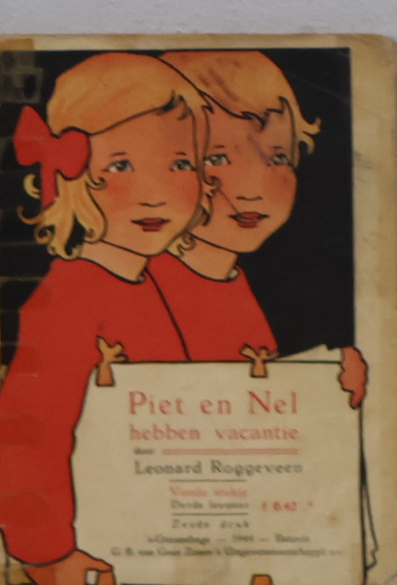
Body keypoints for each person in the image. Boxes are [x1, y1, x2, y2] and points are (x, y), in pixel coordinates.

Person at [0, 53, 207, 585]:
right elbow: (25, 429)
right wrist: (46, 551)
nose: (155, 192)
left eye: (180, 165)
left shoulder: (163, 282)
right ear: (74, 174)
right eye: (122, 167)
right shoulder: (68, 298)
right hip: (102, 550)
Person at [149, 49, 366, 407]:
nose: (253, 189)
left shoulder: (231, 280)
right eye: (216, 158)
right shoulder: (148, 287)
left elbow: (248, 393)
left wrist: (328, 371)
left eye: (277, 157)